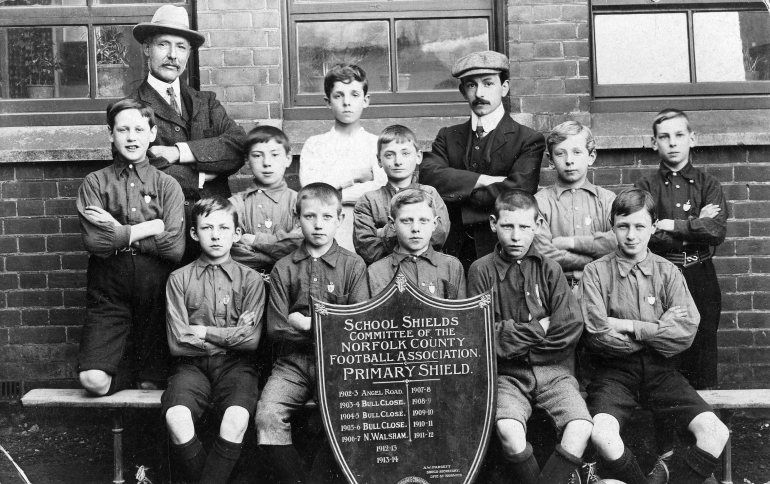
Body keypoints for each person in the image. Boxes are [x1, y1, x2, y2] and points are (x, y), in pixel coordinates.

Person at [578, 188, 729, 484]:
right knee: (602, 434)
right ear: (612, 226)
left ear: (653, 227)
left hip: (662, 372)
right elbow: (597, 335)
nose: (631, 235)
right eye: (623, 226)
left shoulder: (668, 272)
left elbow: (685, 333)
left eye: (640, 226)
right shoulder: (594, 273)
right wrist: (659, 328)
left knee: (716, 432)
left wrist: (628, 326)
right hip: (614, 375)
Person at [467, 189, 592, 484]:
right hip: (506, 376)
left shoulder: (550, 269)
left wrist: (513, 340)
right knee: (509, 432)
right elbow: (482, 336)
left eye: (524, 227)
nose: (516, 236)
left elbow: (569, 327)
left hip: (554, 372)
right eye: (508, 226)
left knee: (581, 428)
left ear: (537, 225)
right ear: (493, 224)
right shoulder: (480, 271)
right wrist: (538, 328)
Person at [634, 109, 728, 483]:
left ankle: (705, 459)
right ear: (654, 142)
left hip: (700, 275)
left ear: (692, 138)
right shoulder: (646, 186)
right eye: (664, 137)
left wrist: (672, 224)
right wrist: (694, 225)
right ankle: (666, 457)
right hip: (661, 277)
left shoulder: (708, 183)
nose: (672, 143)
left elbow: (715, 231)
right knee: (664, 360)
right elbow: (646, 235)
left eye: (678, 135)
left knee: (703, 358)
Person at [254, 183, 368, 484]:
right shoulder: (283, 268)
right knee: (267, 416)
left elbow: (357, 325)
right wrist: (329, 327)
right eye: (310, 216)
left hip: (339, 363)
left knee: (347, 417)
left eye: (327, 217)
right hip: (292, 364)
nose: (318, 224)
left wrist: (306, 324)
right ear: (297, 218)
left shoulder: (353, 266)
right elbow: (276, 329)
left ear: (340, 219)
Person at [77, 99, 185, 396]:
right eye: (123, 129)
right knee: (93, 381)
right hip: (108, 286)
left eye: (139, 129)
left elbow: (174, 248)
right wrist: (151, 227)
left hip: (156, 289)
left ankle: (143, 373)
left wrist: (117, 230)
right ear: (111, 134)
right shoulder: (95, 183)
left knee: (151, 384)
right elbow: (95, 242)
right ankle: (126, 370)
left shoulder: (167, 185)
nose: (131, 137)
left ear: (152, 133)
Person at [129, 5, 248, 264]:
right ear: (147, 48)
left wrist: (177, 153)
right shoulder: (130, 108)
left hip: (213, 232)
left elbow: (239, 145)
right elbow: (141, 171)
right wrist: (206, 173)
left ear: (189, 54)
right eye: (163, 45)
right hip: (164, 232)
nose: (173, 55)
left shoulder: (206, 102)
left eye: (181, 47)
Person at [163, 197, 265, 484]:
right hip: (190, 367)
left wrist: (203, 332)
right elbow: (177, 343)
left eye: (224, 228)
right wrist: (232, 335)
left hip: (236, 367)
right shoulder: (179, 279)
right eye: (207, 228)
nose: (216, 235)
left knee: (237, 419)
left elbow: (250, 341)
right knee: (176, 418)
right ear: (194, 234)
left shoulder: (251, 280)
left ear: (237, 233)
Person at [420, 50, 545, 271]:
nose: (479, 93)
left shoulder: (527, 140)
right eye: (471, 85)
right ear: (462, 91)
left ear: (504, 87)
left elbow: (519, 192)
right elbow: (429, 177)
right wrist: (485, 180)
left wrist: (460, 196)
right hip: (451, 252)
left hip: (502, 253)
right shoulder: (448, 136)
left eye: (488, 84)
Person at [299, 64, 387, 252]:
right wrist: (355, 176)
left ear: (366, 100)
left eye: (354, 95)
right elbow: (311, 192)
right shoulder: (315, 145)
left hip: (368, 236)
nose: (347, 102)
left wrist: (336, 192)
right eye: (338, 96)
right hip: (325, 238)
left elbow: (381, 191)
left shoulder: (377, 144)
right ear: (328, 102)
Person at [534, 121, 616, 287]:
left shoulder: (608, 200)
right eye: (560, 154)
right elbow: (543, 252)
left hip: (601, 288)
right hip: (555, 288)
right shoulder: (539, 202)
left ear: (591, 157)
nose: (569, 160)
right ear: (550, 160)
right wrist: (595, 257)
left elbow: (618, 242)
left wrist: (570, 242)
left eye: (577, 152)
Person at [354, 124, 449, 265]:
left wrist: (383, 232)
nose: (398, 161)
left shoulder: (430, 193)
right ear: (379, 160)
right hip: (386, 272)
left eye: (405, 153)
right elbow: (368, 249)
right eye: (389, 155)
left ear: (418, 157)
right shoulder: (368, 201)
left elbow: (438, 236)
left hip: (427, 268)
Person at [229, 126, 303, 275]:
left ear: (288, 159)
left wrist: (255, 241)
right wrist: (280, 250)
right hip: (245, 281)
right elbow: (233, 251)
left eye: (274, 155)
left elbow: (300, 245)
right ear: (247, 161)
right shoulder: (235, 204)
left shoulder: (300, 202)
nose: (267, 163)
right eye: (257, 155)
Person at [367, 189, 464, 299]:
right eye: (406, 221)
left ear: (434, 224)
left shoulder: (451, 266)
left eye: (423, 220)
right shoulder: (376, 271)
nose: (415, 228)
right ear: (392, 224)